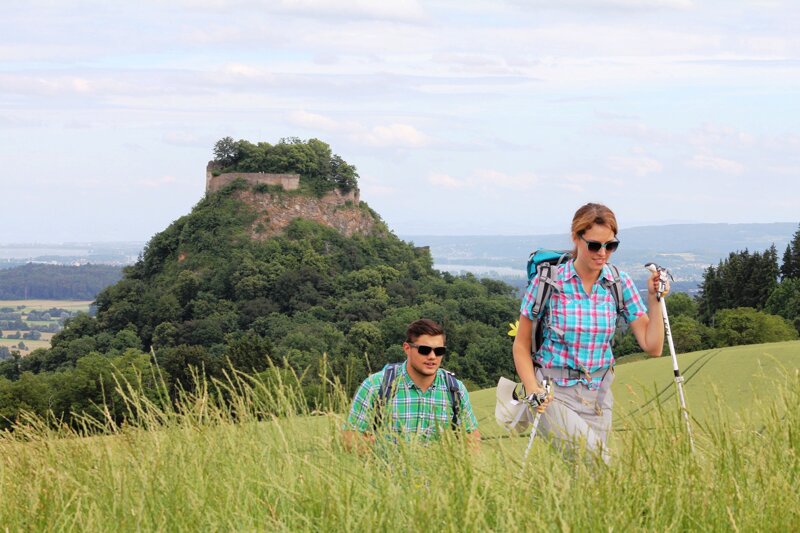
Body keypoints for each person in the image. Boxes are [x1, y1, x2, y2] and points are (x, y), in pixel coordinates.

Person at [512, 202, 666, 463]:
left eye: (611, 245)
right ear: (576, 238)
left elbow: (653, 346)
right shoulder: (548, 281)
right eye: (594, 245)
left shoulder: (619, 282)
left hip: (600, 397)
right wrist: (532, 389)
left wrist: (655, 299)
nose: (602, 253)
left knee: (588, 483)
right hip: (553, 394)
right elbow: (521, 345)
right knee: (602, 464)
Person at [343, 318, 481, 451]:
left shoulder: (456, 390)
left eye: (439, 351)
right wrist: (391, 451)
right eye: (424, 350)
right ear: (407, 348)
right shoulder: (375, 386)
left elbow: (472, 442)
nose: (432, 356)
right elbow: (350, 440)